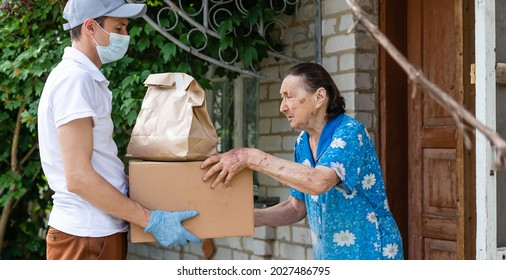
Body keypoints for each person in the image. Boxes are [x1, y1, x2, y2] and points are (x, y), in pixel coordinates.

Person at [37, 0, 200, 260]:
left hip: (95, 233)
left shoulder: (84, 78)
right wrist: (151, 220)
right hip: (86, 236)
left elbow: (98, 164)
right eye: (119, 27)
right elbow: (78, 177)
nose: (126, 36)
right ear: (91, 27)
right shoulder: (74, 80)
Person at [201, 62, 404, 260]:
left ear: (319, 97)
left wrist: (251, 157)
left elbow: (318, 182)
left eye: (288, 96)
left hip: (370, 251)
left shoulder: (350, 132)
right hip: (330, 255)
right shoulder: (302, 142)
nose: (282, 107)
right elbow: (296, 208)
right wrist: (247, 217)